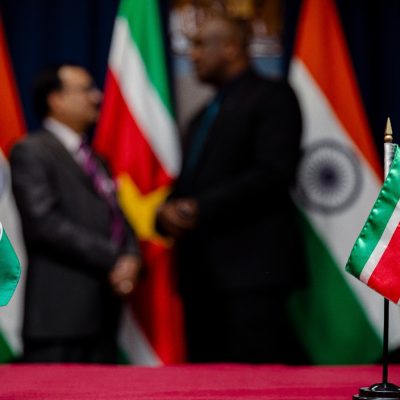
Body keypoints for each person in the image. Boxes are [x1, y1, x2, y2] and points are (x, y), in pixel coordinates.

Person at [156, 16, 306, 363]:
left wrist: (198, 207)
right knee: (204, 382)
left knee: (256, 379)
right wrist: (165, 213)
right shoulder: (202, 115)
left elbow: (273, 174)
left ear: (231, 48)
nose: (192, 55)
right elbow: (190, 183)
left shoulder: (273, 97)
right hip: (200, 277)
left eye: (199, 45)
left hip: (252, 274)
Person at [10, 64, 141, 363]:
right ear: (56, 99)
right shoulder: (31, 151)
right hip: (58, 320)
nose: (97, 96)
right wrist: (115, 257)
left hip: (104, 316)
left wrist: (132, 256)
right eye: (86, 90)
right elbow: (44, 223)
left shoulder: (96, 159)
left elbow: (118, 217)